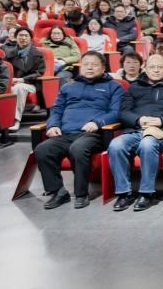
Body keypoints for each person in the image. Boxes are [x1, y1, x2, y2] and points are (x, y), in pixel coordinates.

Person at [36, 51, 125, 209]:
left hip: (92, 134)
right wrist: (53, 125)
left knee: (77, 149)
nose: (89, 68)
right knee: (43, 150)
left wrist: (97, 122)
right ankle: (58, 192)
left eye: (94, 65)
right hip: (65, 133)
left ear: (103, 67)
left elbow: (116, 112)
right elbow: (56, 110)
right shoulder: (68, 87)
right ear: (80, 66)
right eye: (86, 64)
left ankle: (81, 194)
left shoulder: (114, 86)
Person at [107, 53, 163, 212]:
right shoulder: (135, 86)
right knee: (116, 145)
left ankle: (146, 193)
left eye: (160, 67)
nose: (156, 70)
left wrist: (161, 121)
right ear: (145, 68)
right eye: (152, 67)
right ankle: (124, 193)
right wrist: (138, 120)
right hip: (136, 129)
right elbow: (123, 112)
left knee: (147, 144)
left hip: (162, 132)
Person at [6, 27, 47, 130]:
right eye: (20, 35)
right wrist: (11, 80)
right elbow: (5, 70)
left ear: (30, 38)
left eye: (26, 36)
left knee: (19, 87)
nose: (23, 38)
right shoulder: (9, 54)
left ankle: (15, 120)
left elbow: (39, 73)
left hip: (32, 84)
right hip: (12, 83)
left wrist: (22, 79)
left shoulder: (38, 54)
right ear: (15, 38)